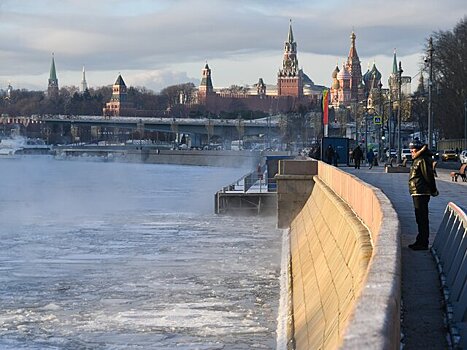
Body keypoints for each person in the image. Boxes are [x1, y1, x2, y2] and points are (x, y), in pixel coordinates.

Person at [408, 139, 439, 250]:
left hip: (421, 192)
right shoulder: (418, 159)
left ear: (417, 149)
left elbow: (428, 176)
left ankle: (423, 243)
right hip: (417, 191)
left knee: (422, 218)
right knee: (419, 217)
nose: (411, 152)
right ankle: (420, 240)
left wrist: (433, 190)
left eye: (413, 150)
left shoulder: (422, 160)